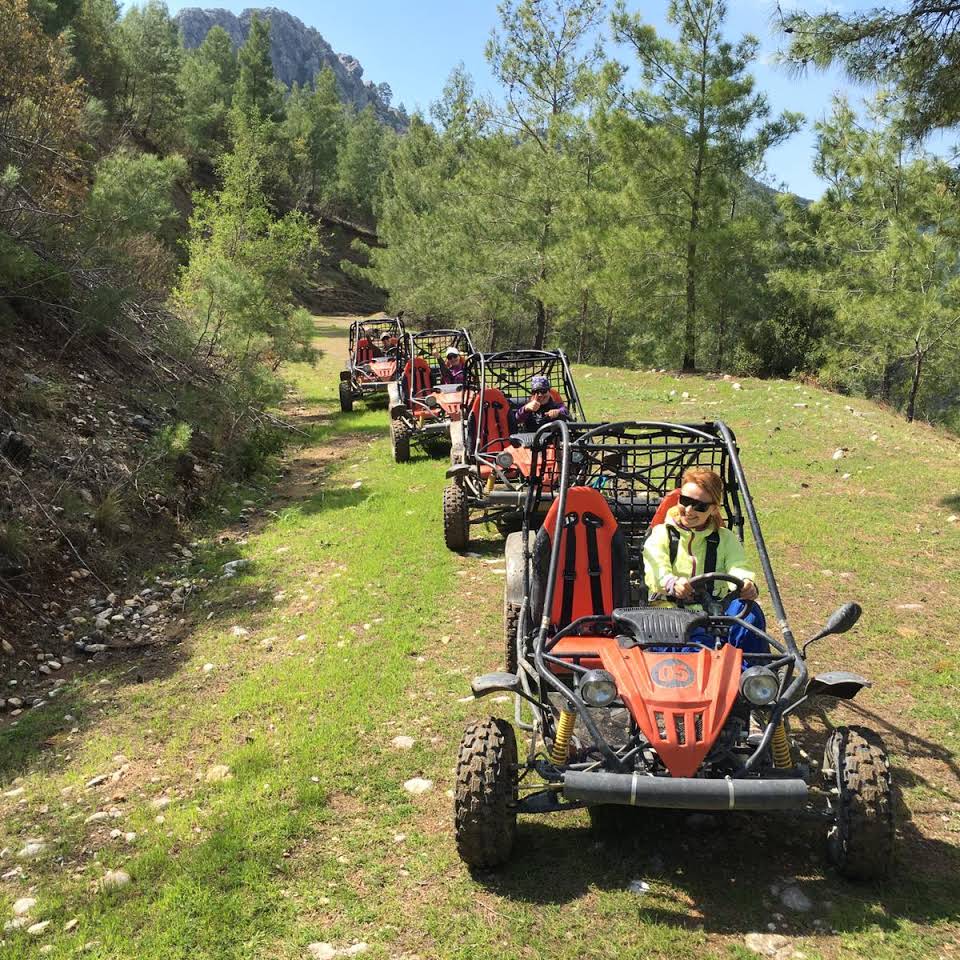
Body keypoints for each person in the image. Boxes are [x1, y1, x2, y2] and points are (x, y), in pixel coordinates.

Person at [642, 467, 767, 659]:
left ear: (714, 508)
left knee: (750, 613)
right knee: (700, 648)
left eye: (699, 506)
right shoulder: (661, 534)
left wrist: (746, 582)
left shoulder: (724, 538)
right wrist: (672, 583)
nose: (689, 510)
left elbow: (738, 565)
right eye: (685, 501)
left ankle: (755, 677)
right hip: (672, 614)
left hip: (715, 611)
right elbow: (656, 569)